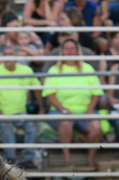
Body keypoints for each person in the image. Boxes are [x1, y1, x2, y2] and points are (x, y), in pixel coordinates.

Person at [42, 37, 103, 166]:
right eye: (67, 48)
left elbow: (96, 92)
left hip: (84, 111)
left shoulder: (87, 68)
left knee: (96, 126)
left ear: (77, 51)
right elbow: (50, 95)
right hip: (59, 111)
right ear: (62, 51)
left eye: (72, 48)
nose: (70, 51)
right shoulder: (54, 70)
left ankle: (90, 160)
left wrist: (90, 109)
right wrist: (63, 109)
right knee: (65, 121)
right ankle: (67, 159)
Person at [0, 43, 43, 168]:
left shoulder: (26, 70)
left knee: (31, 123)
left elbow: (38, 89)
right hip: (0, 114)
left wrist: (42, 107)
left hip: (20, 113)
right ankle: (10, 159)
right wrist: (1, 114)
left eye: (10, 54)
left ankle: (27, 159)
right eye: (5, 54)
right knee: (6, 124)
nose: (7, 57)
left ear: (16, 56)